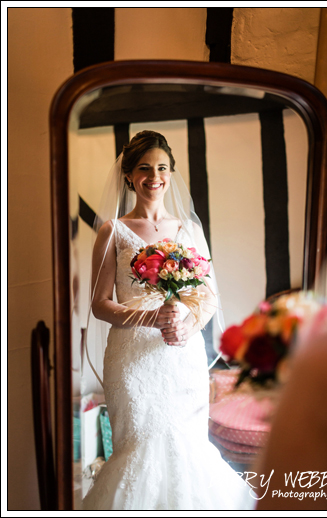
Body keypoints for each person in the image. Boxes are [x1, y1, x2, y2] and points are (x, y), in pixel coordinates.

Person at [82, 131, 255, 510]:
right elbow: (99, 304)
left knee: (186, 447)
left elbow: (208, 297)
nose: (154, 176)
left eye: (162, 167)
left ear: (171, 173)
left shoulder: (189, 230)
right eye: (144, 168)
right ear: (129, 175)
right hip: (131, 358)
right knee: (140, 446)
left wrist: (188, 326)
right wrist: (150, 315)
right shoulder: (113, 231)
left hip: (182, 355)